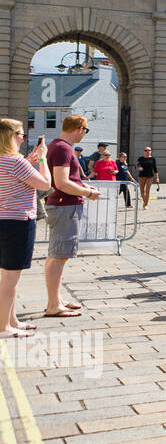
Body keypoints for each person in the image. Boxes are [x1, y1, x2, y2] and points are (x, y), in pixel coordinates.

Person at [0, 120, 52, 337]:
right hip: (19, 222)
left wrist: (28, 162)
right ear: (12, 136)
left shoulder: (9, 161)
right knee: (11, 277)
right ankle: (3, 327)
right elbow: (45, 184)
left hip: (4, 219)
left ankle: (12, 320)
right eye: (21, 134)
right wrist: (42, 159)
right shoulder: (15, 161)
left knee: (7, 275)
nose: (24, 137)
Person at [45, 116, 98, 318]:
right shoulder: (64, 148)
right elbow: (62, 183)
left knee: (56, 254)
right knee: (59, 256)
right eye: (86, 130)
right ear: (79, 128)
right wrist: (88, 193)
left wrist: (84, 187)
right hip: (65, 206)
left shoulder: (57, 146)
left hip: (62, 205)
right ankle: (53, 304)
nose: (85, 134)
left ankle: (56, 299)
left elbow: (67, 180)